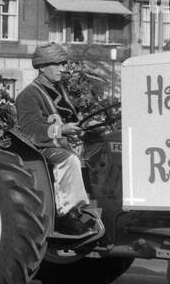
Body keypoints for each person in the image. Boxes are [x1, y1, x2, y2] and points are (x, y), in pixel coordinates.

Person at [15, 42, 104, 239]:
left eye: (64, 64)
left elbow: (70, 118)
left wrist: (85, 124)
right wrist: (62, 129)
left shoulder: (59, 89)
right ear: (42, 67)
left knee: (100, 149)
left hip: (67, 142)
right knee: (69, 160)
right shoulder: (28, 95)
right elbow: (30, 131)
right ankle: (66, 214)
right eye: (58, 64)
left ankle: (97, 205)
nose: (63, 69)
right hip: (42, 149)